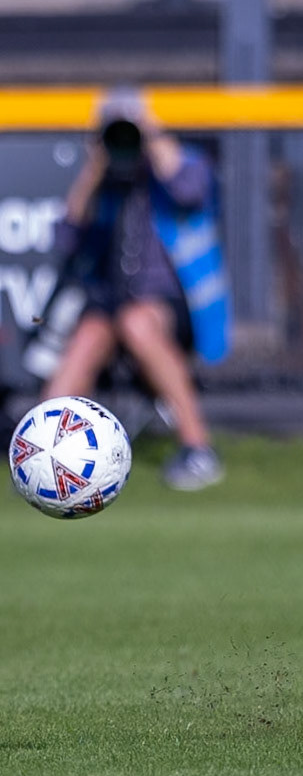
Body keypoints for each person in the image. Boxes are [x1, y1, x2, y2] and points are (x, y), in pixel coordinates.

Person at [42, 88, 229, 491]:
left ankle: (199, 449)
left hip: (174, 304)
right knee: (87, 336)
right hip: (111, 304)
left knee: (137, 322)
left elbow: (190, 191)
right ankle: (41, 455)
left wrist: (151, 135)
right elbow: (65, 240)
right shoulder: (103, 177)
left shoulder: (176, 166)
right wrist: (95, 167)